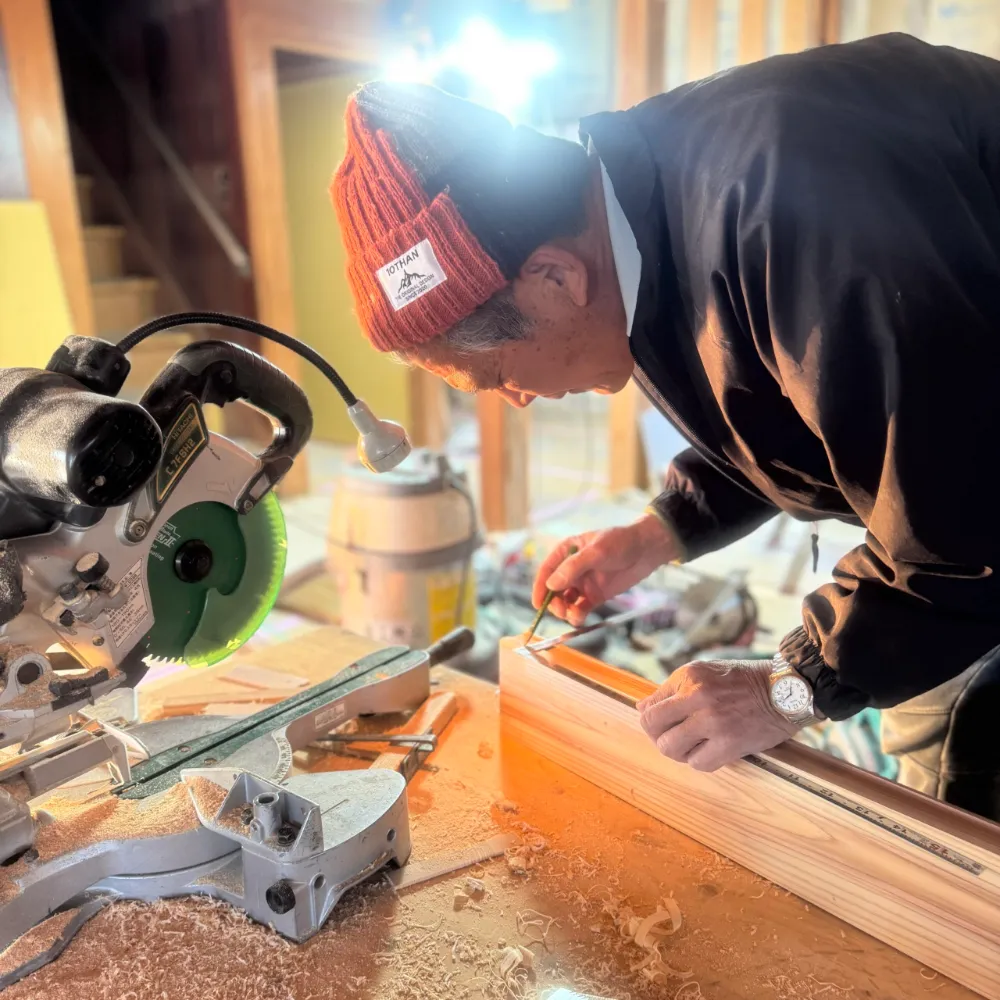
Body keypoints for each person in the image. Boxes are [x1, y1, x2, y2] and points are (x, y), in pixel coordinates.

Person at [330, 33, 1000, 821]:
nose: (515, 401)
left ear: (555, 277)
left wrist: (791, 685)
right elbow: (801, 399)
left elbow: (965, 523)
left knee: (953, 799)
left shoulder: (797, 212)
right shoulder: (648, 220)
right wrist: (663, 529)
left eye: (498, 374)